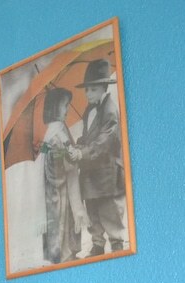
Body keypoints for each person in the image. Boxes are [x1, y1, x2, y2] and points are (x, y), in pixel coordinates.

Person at [66, 59, 127, 256]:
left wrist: (82, 153)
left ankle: (117, 245)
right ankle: (98, 244)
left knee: (109, 210)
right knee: (92, 209)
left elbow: (104, 141)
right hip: (90, 171)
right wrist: (77, 146)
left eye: (93, 89)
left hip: (107, 171)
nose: (88, 93)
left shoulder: (110, 109)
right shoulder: (89, 110)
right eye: (86, 90)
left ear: (103, 88)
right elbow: (87, 137)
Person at [39, 87, 81, 263]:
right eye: (65, 105)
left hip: (62, 185)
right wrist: (67, 155)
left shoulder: (60, 129)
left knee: (65, 218)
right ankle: (62, 254)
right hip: (57, 187)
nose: (67, 110)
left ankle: (66, 252)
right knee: (58, 218)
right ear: (55, 107)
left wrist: (72, 151)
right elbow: (48, 159)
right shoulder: (53, 132)